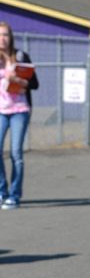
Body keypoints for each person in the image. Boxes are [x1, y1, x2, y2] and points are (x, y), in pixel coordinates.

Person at [0, 21, 39, 210]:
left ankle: (14, 195)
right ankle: (2, 191)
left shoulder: (21, 56)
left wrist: (18, 80)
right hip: (0, 110)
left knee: (16, 152)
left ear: (11, 37)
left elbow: (34, 84)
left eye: (6, 35)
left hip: (19, 110)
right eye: (0, 35)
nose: (2, 39)